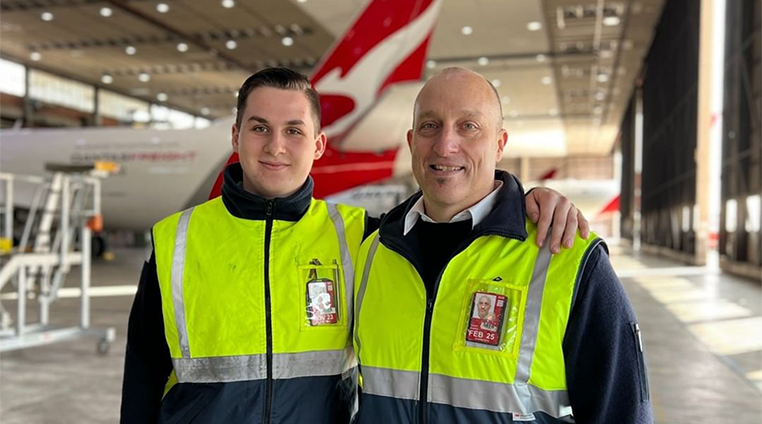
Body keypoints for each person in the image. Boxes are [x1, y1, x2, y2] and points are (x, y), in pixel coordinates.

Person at [120, 67, 590, 424]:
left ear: (319, 145)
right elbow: (141, 381)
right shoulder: (176, 242)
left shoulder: (362, 235)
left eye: (294, 131)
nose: (275, 147)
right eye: (259, 128)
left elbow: (452, 211)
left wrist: (528, 201)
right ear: (235, 136)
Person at [352, 67, 653, 424]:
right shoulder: (371, 251)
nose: (445, 144)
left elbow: (623, 412)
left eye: (469, 126)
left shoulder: (567, 256)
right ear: (411, 141)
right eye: (430, 126)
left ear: (499, 143)